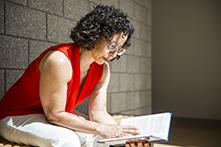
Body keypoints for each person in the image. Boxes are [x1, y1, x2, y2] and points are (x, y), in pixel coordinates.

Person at [0, 5, 150, 147]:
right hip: (16, 116)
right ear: (96, 33)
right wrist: (99, 128)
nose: (114, 54)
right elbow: (55, 115)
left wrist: (126, 135)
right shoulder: (59, 60)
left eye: (119, 49)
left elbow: (99, 113)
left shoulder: (103, 69)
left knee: (100, 138)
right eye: (112, 46)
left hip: (49, 115)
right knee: (67, 140)